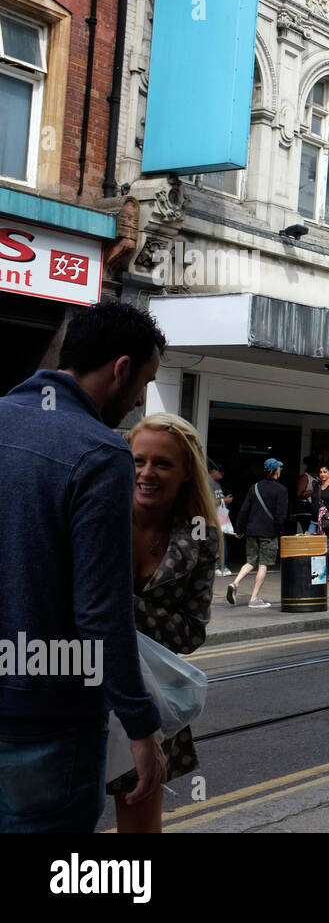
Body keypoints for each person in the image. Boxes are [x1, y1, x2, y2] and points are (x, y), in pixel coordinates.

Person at [0, 299, 167, 832]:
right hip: (45, 718)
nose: (142, 397)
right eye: (144, 380)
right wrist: (142, 729)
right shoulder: (99, 453)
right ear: (121, 369)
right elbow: (100, 612)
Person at [110, 413, 218, 833]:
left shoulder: (199, 537)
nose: (147, 473)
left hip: (149, 695)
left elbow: (192, 631)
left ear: (187, 470)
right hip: (76, 681)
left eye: (163, 464)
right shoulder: (97, 517)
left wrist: (111, 605)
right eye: (138, 461)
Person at [228, 458, 289, 609]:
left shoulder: (254, 487)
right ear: (276, 471)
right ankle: (253, 599)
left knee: (250, 561)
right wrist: (278, 531)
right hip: (269, 533)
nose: (280, 471)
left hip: (252, 531)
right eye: (279, 469)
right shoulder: (281, 490)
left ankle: (235, 583)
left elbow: (244, 510)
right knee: (263, 564)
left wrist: (239, 530)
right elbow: (282, 516)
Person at [209, 459, 235, 577]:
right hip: (211, 518)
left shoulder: (217, 484)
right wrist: (225, 500)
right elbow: (209, 501)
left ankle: (220, 566)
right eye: (221, 471)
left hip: (219, 517)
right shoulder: (207, 482)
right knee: (218, 542)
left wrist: (224, 501)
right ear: (213, 471)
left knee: (220, 542)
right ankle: (218, 567)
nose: (222, 474)